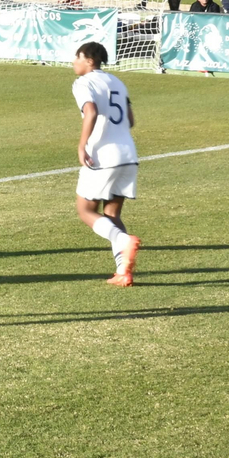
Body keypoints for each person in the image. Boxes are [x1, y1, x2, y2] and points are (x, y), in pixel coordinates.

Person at [71, 41, 140, 286]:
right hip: (128, 155)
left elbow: (90, 112)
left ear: (89, 60)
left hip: (103, 156)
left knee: (85, 210)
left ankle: (123, 242)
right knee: (111, 214)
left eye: (77, 57)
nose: (74, 62)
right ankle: (124, 272)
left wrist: (82, 145)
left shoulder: (83, 82)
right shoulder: (117, 82)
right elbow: (130, 119)